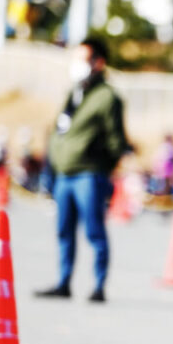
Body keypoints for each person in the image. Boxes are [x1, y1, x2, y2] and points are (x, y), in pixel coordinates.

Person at [35, 37, 129, 303]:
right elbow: (60, 130)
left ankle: (99, 285)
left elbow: (116, 142)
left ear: (98, 63)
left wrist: (102, 168)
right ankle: (63, 282)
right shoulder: (75, 92)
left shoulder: (107, 98)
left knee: (93, 231)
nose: (76, 65)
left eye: (83, 59)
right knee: (64, 230)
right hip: (64, 173)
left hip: (89, 174)